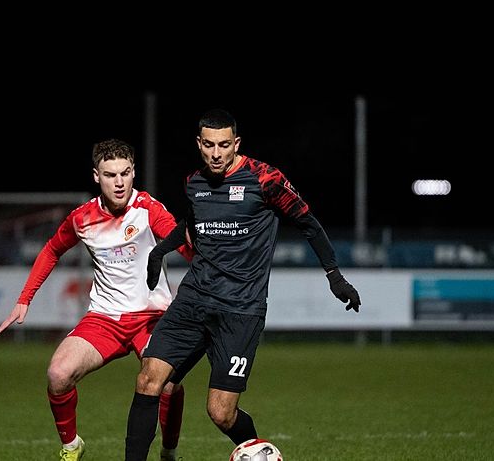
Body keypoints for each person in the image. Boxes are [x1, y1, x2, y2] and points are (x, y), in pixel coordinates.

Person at [124, 109, 361, 460]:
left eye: (223, 145)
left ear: (236, 143)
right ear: (199, 144)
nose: (216, 153)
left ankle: (257, 452)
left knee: (221, 412)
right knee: (149, 380)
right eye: (209, 145)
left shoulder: (265, 179)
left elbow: (307, 222)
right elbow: (192, 222)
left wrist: (334, 276)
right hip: (192, 301)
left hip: (240, 310)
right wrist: (160, 251)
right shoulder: (194, 183)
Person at [0, 138, 192, 461]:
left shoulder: (148, 209)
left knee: (168, 383)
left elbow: (181, 243)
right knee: (58, 374)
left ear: (134, 172)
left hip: (152, 318)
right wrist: (24, 299)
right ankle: (72, 446)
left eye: (125, 173)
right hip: (104, 319)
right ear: (96, 176)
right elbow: (52, 249)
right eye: (110, 175)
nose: (119, 182)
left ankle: (168, 452)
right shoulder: (82, 218)